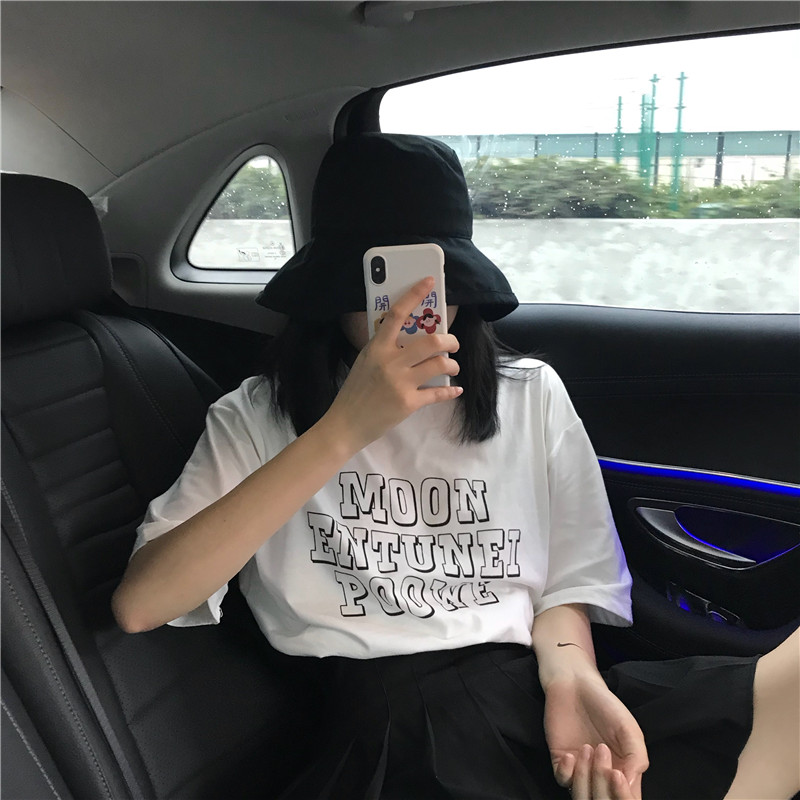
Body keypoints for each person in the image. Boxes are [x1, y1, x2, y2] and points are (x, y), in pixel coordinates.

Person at [112, 134, 800, 800]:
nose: (413, 306)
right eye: (382, 285)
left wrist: (571, 677)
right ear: (332, 289)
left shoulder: (530, 394)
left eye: (434, 282)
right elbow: (144, 603)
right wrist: (343, 430)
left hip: (531, 688)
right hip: (386, 727)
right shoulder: (256, 414)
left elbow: (569, 580)